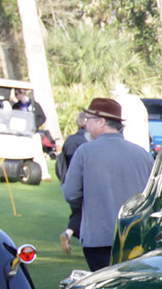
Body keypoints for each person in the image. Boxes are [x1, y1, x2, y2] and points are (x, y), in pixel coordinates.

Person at [61, 97, 154, 270]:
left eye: (89, 120)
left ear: (102, 122)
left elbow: (70, 194)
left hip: (98, 240)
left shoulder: (85, 152)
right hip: (136, 239)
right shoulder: (143, 155)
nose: (86, 124)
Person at [56, 110, 92, 252]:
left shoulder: (70, 140)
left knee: (77, 212)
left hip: (69, 182)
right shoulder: (87, 142)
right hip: (84, 182)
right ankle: (74, 236)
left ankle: (69, 233)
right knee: (84, 213)